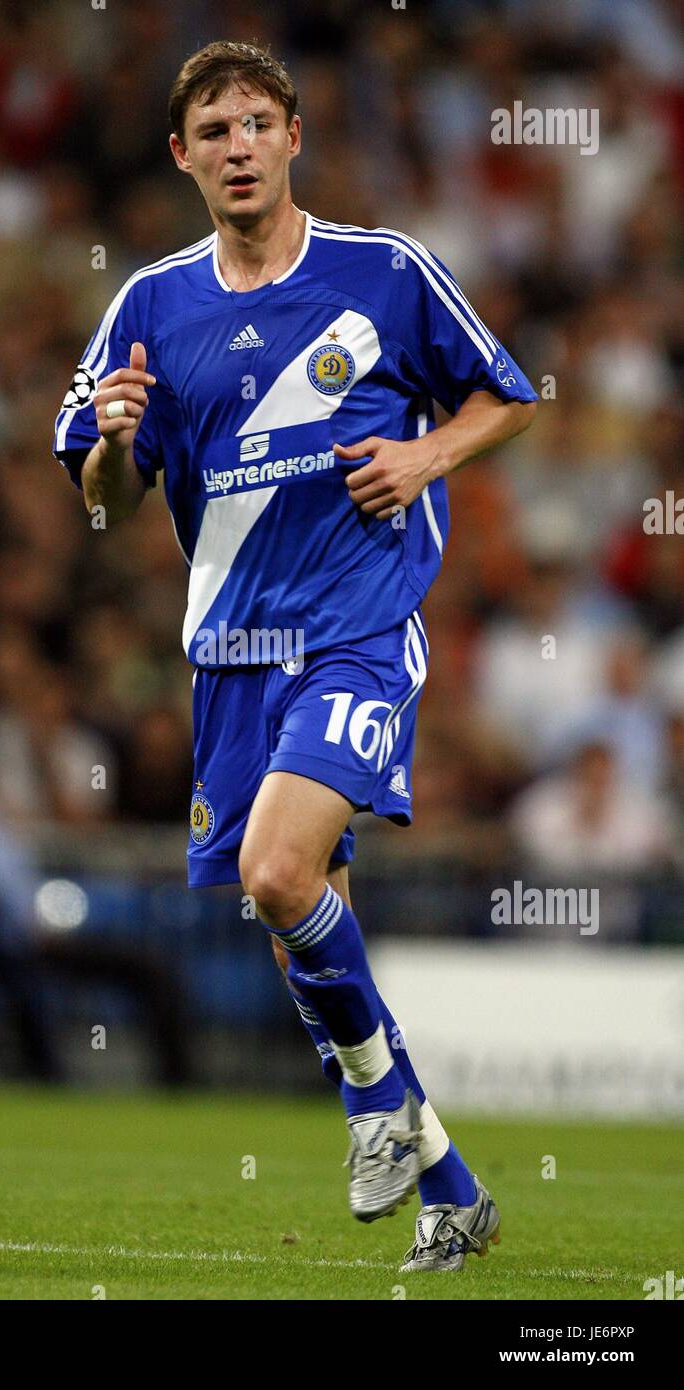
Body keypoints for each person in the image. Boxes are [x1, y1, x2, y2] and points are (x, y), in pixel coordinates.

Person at [52, 41, 537, 1272]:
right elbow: (106, 499)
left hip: (357, 631)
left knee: (277, 873)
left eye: (255, 123)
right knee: (297, 920)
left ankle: (373, 1109)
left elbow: (507, 396)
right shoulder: (148, 306)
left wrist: (429, 457)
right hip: (230, 657)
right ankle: (452, 1187)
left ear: (292, 134)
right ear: (182, 156)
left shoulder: (383, 273)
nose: (236, 148)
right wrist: (111, 444)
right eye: (211, 132)